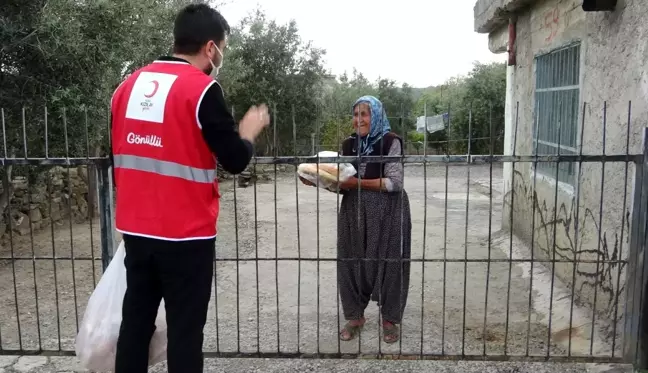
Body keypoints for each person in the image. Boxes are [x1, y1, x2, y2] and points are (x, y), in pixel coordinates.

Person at [110, 4, 269, 373]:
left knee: (135, 324)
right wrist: (246, 133)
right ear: (210, 48)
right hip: (186, 236)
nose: (221, 56)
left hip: (136, 231)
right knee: (184, 333)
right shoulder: (202, 89)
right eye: (223, 47)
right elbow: (233, 159)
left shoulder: (126, 88)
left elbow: (120, 155)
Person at [301, 95, 412, 343]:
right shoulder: (349, 145)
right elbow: (342, 184)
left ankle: (390, 319)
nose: (359, 120)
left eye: (365, 114)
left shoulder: (390, 142)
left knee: (390, 262)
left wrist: (356, 183)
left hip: (389, 211)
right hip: (354, 211)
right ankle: (355, 316)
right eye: (356, 114)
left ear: (376, 116)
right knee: (351, 263)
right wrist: (317, 179)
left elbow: (395, 183)